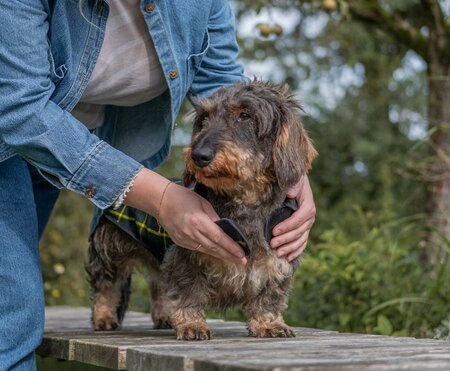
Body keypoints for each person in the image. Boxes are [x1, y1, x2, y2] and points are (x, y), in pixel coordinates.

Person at [0, 0, 316, 370]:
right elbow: (19, 108)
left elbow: (223, 87)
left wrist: (292, 169)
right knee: (13, 312)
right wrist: (161, 197)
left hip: (98, 142)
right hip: (11, 130)